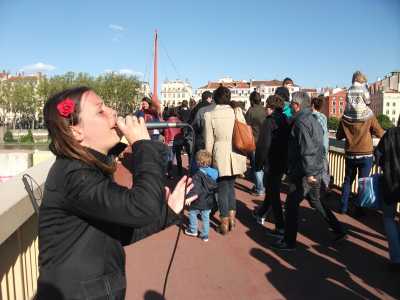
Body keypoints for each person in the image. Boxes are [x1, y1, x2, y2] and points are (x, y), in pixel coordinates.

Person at [36, 87, 197, 299]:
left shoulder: (89, 169)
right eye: (100, 110)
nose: (113, 112)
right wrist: (142, 144)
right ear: (76, 131)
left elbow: (118, 231)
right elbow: (141, 208)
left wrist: (168, 212)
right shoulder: (74, 175)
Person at [271, 91, 346, 251]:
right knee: (316, 201)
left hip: (304, 172)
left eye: (291, 103)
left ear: (297, 106)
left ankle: (288, 241)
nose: (289, 106)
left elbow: (307, 149)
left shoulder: (301, 123)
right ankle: (338, 229)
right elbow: (319, 146)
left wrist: (310, 173)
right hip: (314, 168)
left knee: (291, 205)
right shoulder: (313, 120)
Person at [336, 71, 384, 214]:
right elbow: (380, 133)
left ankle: (343, 207)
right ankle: (360, 209)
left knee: (347, 181)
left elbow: (338, 136)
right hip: (366, 154)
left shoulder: (345, 116)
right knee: (363, 183)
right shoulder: (369, 115)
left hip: (350, 154)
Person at [204, 86, 247, 234]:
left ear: (215, 98)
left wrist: (207, 160)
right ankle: (232, 218)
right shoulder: (237, 111)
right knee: (230, 188)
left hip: (219, 152)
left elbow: (209, 141)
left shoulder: (209, 115)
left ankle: (224, 221)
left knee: (222, 189)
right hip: (236, 152)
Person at [254, 95, 290, 235]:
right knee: (271, 189)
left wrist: (258, 163)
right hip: (282, 161)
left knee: (273, 193)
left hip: (271, 161)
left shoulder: (269, 122)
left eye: (267, 107)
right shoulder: (286, 120)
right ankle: (261, 212)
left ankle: (280, 226)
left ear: (271, 108)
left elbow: (264, 145)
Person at [374, 114, 400, 271]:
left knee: (389, 218)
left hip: (390, 181)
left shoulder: (390, 134)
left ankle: (396, 258)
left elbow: (378, 157)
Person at [184, 150, 219, 242]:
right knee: (206, 218)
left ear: (199, 162)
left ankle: (193, 229)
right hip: (208, 200)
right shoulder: (214, 173)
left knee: (192, 213)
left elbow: (196, 189)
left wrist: (190, 198)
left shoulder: (198, 175)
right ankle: (205, 235)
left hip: (198, 200)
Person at [245, 91, 266, 196]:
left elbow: (246, 127)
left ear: (251, 100)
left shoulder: (250, 111)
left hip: (254, 141)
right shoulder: (265, 110)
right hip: (265, 142)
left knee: (257, 166)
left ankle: (259, 188)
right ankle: (261, 185)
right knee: (263, 166)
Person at [311, 96, 330, 188]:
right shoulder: (323, 117)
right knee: (324, 170)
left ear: (312, 105)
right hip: (322, 148)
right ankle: (325, 187)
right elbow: (325, 134)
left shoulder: (309, 117)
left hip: (312, 148)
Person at [164, 107, 184, 177]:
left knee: (170, 158)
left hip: (170, 141)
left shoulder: (167, 121)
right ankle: (180, 172)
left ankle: (169, 173)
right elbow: (182, 131)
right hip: (178, 140)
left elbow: (166, 133)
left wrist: (166, 142)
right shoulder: (179, 121)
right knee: (178, 156)